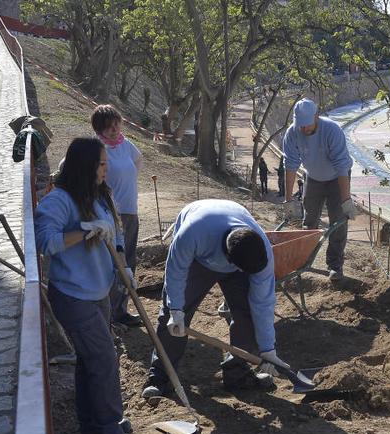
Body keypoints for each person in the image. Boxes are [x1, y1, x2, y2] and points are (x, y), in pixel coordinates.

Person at [35, 137, 144, 434]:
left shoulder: (101, 195)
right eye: (101, 164)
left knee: (90, 359)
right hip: (72, 296)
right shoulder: (60, 202)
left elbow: (118, 235)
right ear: (85, 166)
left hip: (100, 292)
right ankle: (111, 429)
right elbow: (46, 243)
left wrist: (124, 268)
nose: (106, 170)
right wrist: (84, 231)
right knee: (105, 358)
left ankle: (91, 424)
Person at [141, 199, 295, 397]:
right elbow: (175, 273)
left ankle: (237, 374)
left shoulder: (260, 252)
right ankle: (160, 377)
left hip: (235, 252)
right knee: (172, 318)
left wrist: (267, 349)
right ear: (230, 262)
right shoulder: (192, 233)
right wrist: (176, 309)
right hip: (198, 258)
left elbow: (263, 303)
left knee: (247, 313)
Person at [282, 98, 356, 281]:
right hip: (313, 177)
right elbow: (290, 165)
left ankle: (335, 266)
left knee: (337, 222)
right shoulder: (292, 133)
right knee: (309, 221)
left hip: (336, 179)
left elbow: (341, 166)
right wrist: (288, 199)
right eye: (301, 125)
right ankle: (304, 261)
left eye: (307, 125)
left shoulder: (332, 130)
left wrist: (346, 200)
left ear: (316, 116)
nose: (305, 129)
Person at [91, 104, 144, 328]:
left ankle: (120, 309)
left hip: (129, 212)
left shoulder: (125, 144)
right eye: (108, 127)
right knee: (111, 264)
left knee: (128, 261)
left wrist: (127, 183)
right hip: (109, 214)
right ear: (99, 129)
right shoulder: (96, 148)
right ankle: (107, 312)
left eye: (116, 125)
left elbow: (138, 160)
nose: (114, 130)